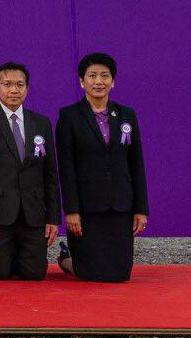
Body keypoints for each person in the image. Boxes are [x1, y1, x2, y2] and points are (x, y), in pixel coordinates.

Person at [56, 51, 149, 282]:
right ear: (82, 81)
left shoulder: (127, 115)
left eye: (105, 76)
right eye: (92, 76)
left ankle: (71, 260)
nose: (98, 81)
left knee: (120, 275)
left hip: (120, 205)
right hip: (87, 207)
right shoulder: (69, 116)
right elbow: (66, 167)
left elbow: (136, 163)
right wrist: (72, 211)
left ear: (113, 81)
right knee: (89, 274)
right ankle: (67, 261)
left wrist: (141, 209)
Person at [0, 61, 59, 281]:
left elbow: (50, 174)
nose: (14, 90)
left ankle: (16, 254)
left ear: (27, 88)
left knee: (35, 274)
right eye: (7, 84)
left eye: (20, 85)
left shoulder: (41, 123)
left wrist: (53, 217)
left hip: (32, 213)